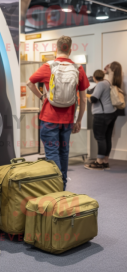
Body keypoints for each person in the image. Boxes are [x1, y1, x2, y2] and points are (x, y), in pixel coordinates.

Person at [27, 36, 89, 190]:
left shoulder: (48, 66)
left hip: (49, 118)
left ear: (57, 48)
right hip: (68, 120)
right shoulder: (78, 68)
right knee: (63, 152)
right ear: (70, 49)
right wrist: (79, 121)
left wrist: (42, 97)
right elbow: (83, 99)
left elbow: (30, 83)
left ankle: (55, 189)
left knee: (52, 153)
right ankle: (62, 187)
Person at [84, 62, 122, 170]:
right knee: (107, 137)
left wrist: (87, 96)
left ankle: (99, 162)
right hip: (111, 113)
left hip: (102, 114)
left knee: (100, 137)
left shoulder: (101, 84)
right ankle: (105, 161)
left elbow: (94, 99)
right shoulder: (110, 82)